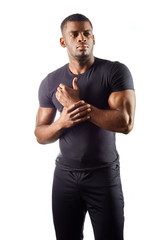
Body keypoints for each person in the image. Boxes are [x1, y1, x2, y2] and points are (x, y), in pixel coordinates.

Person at [34, 13, 136, 240]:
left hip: (103, 175)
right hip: (64, 177)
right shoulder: (51, 82)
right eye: (75, 34)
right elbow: (40, 133)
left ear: (94, 38)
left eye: (87, 33)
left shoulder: (114, 72)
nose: (82, 38)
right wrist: (63, 121)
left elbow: (126, 122)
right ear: (63, 41)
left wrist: (76, 105)